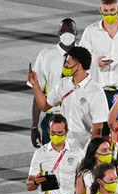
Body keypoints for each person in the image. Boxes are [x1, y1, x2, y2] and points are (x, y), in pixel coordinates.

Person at [28, 46, 109, 150]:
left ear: (78, 66)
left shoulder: (96, 91)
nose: (65, 65)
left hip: (83, 149)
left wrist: (90, 154)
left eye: (68, 63)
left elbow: (97, 129)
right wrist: (35, 84)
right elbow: (44, 105)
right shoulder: (64, 84)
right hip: (64, 146)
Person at [79, 0, 118, 111]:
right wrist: (95, 63)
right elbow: (80, 60)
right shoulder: (90, 31)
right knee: (99, 127)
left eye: (112, 10)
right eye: (106, 11)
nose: (109, 14)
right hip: (98, 90)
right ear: (100, 10)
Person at [29, 18, 78, 148]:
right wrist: (34, 126)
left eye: (70, 31)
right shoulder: (46, 55)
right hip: (52, 116)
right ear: (58, 33)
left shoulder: (85, 55)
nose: (67, 34)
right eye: (63, 31)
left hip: (76, 117)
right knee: (49, 159)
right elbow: (38, 92)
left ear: (76, 33)